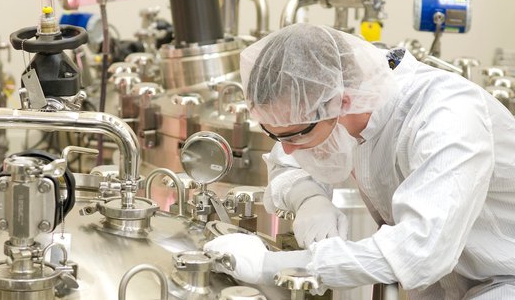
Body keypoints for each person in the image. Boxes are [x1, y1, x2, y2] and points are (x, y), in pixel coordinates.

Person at [203, 23, 515, 299]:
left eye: (295, 135)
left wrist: (270, 266)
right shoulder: (346, 94)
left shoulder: (446, 118)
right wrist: (310, 199)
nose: (286, 150)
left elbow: (420, 249)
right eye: (275, 135)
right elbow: (288, 159)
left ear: (344, 101)